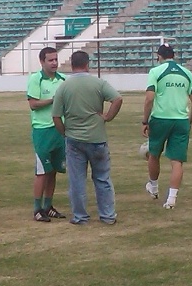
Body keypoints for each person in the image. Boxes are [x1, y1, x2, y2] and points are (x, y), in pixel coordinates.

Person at [52, 51, 123, 225]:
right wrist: (108, 117)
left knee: (77, 181)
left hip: (74, 138)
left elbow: (55, 116)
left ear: (71, 65)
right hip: (97, 137)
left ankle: (80, 216)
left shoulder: (64, 86)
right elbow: (117, 99)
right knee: (102, 178)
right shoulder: (98, 83)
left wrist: (64, 132)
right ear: (87, 64)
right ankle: (107, 215)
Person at [141, 43, 192, 209]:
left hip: (160, 119)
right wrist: (189, 120)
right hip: (180, 120)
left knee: (154, 154)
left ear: (159, 56)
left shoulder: (155, 71)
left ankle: (153, 187)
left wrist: (145, 121)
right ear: (173, 55)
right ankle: (171, 199)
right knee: (177, 161)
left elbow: (149, 98)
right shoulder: (186, 73)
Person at [26, 47, 67, 222]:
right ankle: (37, 208)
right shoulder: (36, 79)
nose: (54, 63)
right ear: (42, 61)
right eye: (50, 60)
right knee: (42, 171)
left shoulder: (63, 80)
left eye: (56, 59)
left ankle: (48, 206)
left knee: (54, 171)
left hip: (59, 130)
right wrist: (53, 100)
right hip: (42, 130)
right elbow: (33, 104)